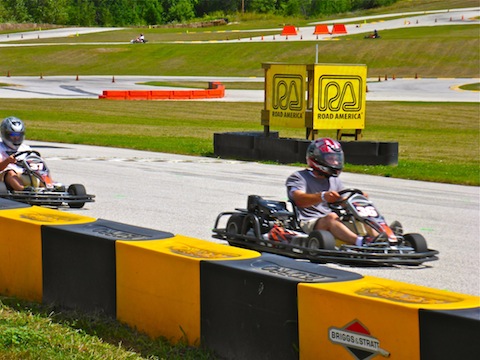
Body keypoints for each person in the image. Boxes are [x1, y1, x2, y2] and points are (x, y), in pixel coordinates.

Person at [286, 138, 379, 246]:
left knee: (363, 214)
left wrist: (357, 199)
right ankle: (360, 242)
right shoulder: (299, 177)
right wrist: (322, 196)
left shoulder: (333, 179)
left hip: (333, 221)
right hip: (309, 222)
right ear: (317, 158)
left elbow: (341, 201)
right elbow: (299, 199)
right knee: (331, 217)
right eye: (331, 159)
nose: (335, 162)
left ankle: (381, 239)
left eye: (337, 159)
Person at [0, 116, 32, 191]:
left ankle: (50, 187)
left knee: (40, 172)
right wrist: (7, 161)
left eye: (18, 135)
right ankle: (23, 191)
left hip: (24, 173)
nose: (16, 138)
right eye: (13, 135)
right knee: (10, 172)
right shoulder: (1, 148)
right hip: (6, 177)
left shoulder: (25, 148)